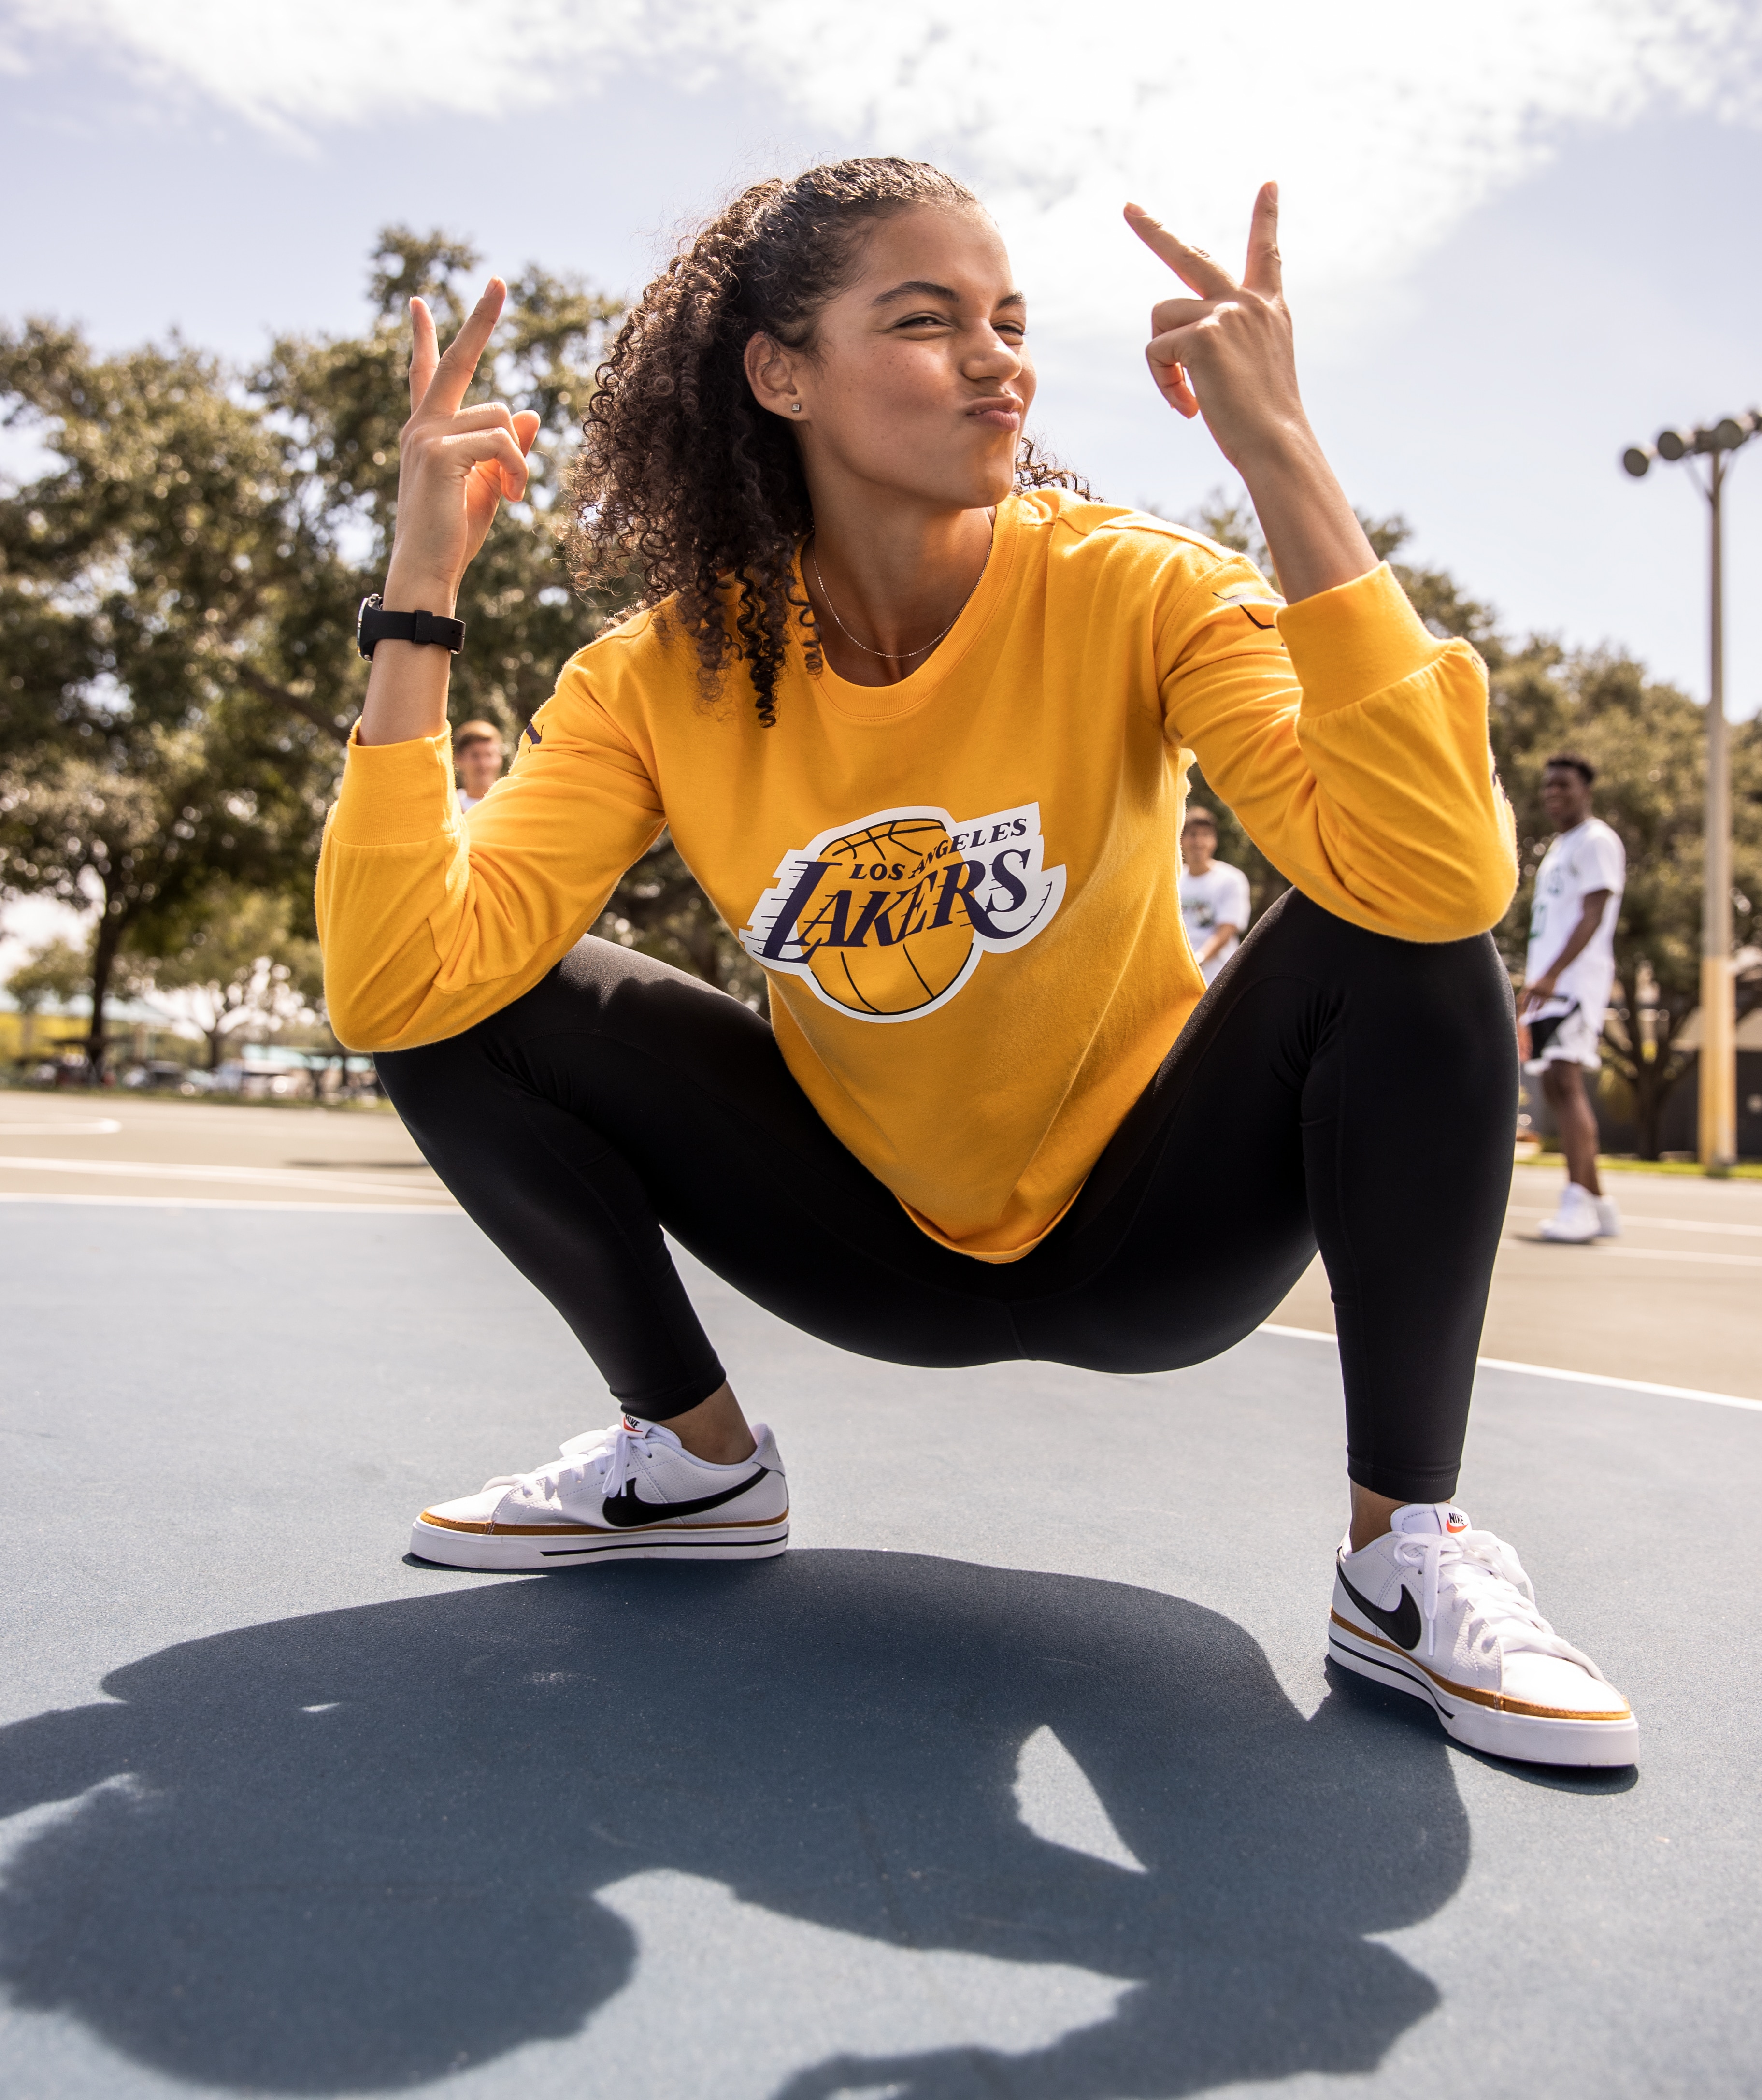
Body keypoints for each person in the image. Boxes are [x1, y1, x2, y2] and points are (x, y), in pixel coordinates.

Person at [317, 160, 1635, 1768]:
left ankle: (1401, 1549)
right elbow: (392, 985)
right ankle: (693, 1456)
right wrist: (421, 594)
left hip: (1152, 1228)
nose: (997, 356)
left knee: (1405, 939)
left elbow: (1435, 875)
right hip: (869, 1241)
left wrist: (1275, 447)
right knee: (476, 1000)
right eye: (927, 321)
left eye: (1008, 321)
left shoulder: (1133, 587)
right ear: (780, 372)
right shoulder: (660, 675)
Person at [1519, 755, 1625, 1244]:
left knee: (1565, 1083)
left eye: (1562, 784)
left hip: (1573, 984)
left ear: (1585, 789)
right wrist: (1537, 978)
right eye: (1546, 786)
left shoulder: (1595, 840)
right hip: (1551, 984)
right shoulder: (1559, 847)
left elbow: (1593, 912)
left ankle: (1577, 1202)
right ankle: (1598, 1204)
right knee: (1558, 1086)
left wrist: (1554, 975)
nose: (1551, 793)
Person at [1177, 805, 1252, 984]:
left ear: (1214, 841)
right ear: (1181, 840)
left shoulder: (1231, 879)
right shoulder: (1174, 881)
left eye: (1206, 835)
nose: (1199, 842)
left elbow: (1225, 932)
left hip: (1217, 981)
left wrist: (1197, 961)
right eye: (1193, 834)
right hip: (1177, 979)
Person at [452, 719, 505, 810]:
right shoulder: (450, 808)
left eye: (489, 755)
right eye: (475, 756)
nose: (483, 764)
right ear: (459, 759)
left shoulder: (511, 803)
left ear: (500, 758)